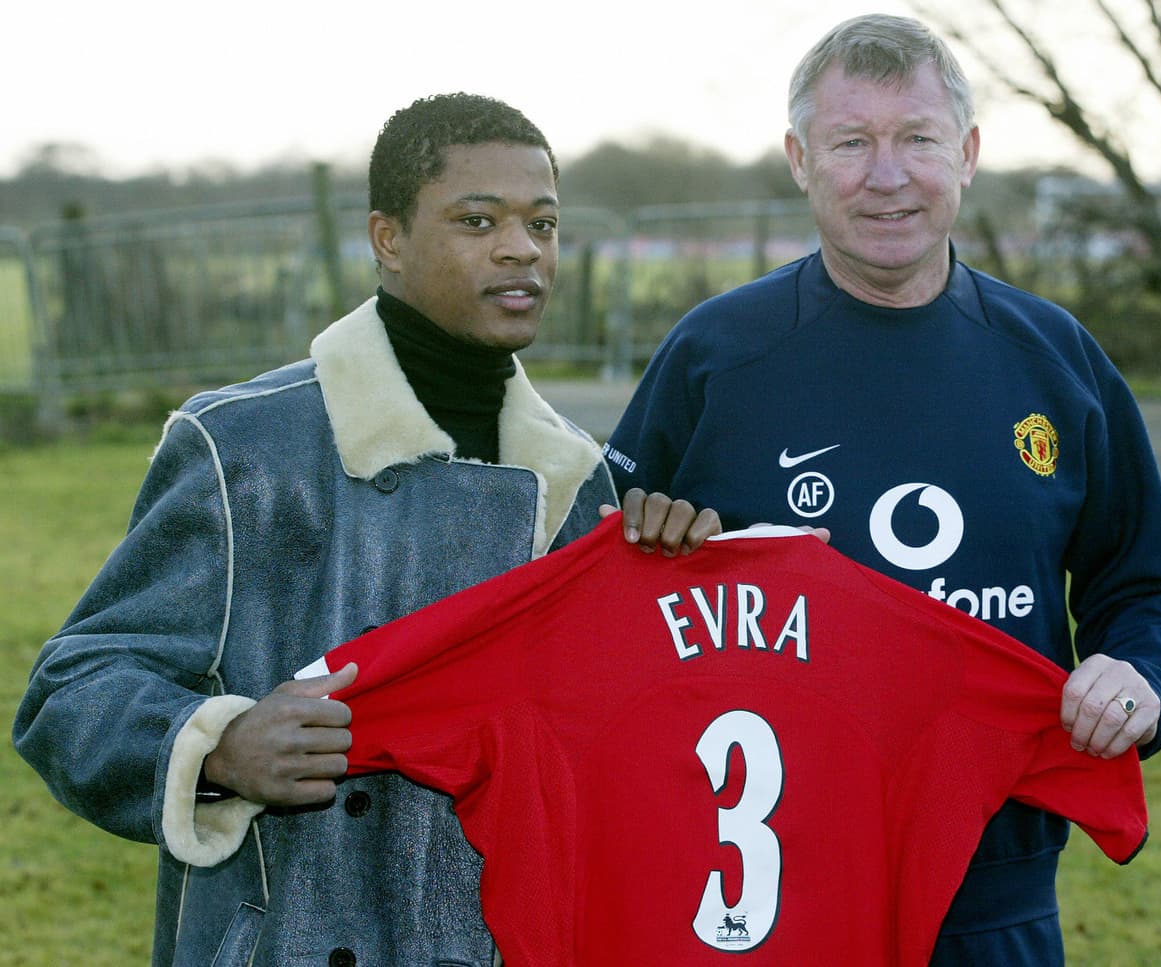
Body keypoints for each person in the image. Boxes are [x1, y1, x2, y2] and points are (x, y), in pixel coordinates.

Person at [14, 92, 718, 966]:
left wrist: (674, 583)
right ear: (388, 239)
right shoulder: (247, 447)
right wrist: (220, 743)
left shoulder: (582, 483)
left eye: (543, 223)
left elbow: (617, 756)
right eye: (477, 219)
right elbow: (71, 687)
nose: (521, 248)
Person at [603, 14, 1161, 965]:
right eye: (851, 143)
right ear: (800, 159)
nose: (887, 176)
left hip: (995, 892)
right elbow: (595, 589)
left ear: (966, 153)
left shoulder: (1055, 361)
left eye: (917, 139)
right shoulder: (717, 356)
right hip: (762, 887)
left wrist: (1143, 676)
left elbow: (1147, 580)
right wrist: (648, 549)